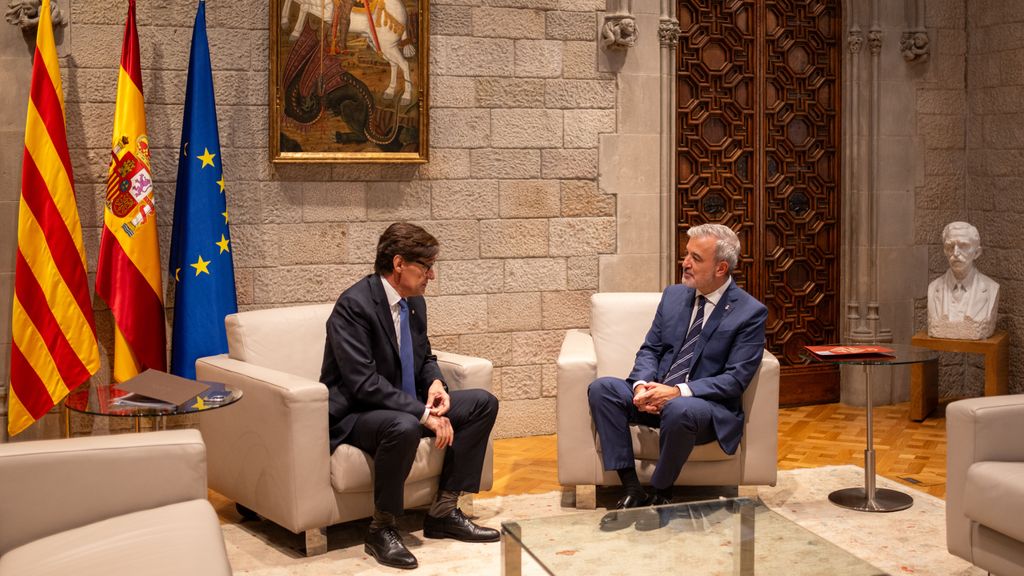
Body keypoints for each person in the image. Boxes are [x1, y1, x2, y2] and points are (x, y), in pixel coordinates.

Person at [320, 222, 500, 570]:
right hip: (358, 413)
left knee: (481, 403)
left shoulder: (414, 303)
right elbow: (363, 383)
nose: (432, 275)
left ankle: (444, 511)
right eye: (426, 267)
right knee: (402, 426)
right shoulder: (354, 306)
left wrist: (435, 386)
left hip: (404, 406)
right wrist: (424, 414)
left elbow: (425, 357)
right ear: (399, 263)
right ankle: (382, 528)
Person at [588, 223, 767, 524]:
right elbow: (651, 349)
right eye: (686, 255)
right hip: (657, 396)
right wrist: (642, 385)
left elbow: (735, 379)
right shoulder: (674, 296)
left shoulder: (749, 312)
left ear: (721, 267)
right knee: (602, 389)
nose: (684, 263)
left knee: (679, 408)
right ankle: (632, 487)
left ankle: (661, 491)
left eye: (696, 258)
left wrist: (676, 392)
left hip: (701, 409)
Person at [927, 221, 999, 340]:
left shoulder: (991, 289)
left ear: (977, 253)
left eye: (963, 246)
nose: (955, 253)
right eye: (950, 246)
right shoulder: (933, 288)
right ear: (945, 251)